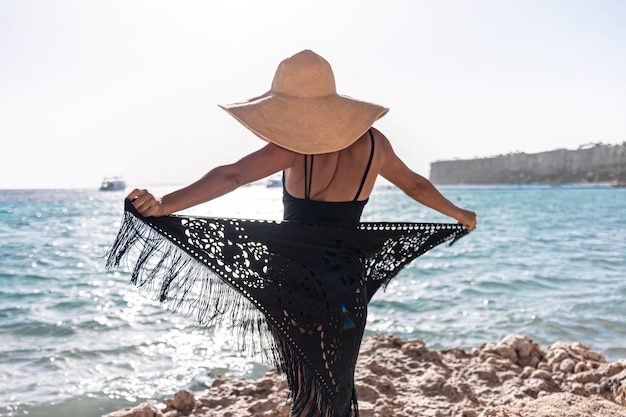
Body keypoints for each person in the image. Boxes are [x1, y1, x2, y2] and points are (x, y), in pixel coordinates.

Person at [114, 50, 476, 417]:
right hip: (346, 287)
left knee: (306, 384)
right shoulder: (375, 143)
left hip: (293, 285)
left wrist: (164, 203)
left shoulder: (293, 147)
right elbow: (415, 185)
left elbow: (232, 175)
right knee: (338, 382)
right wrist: (459, 214)